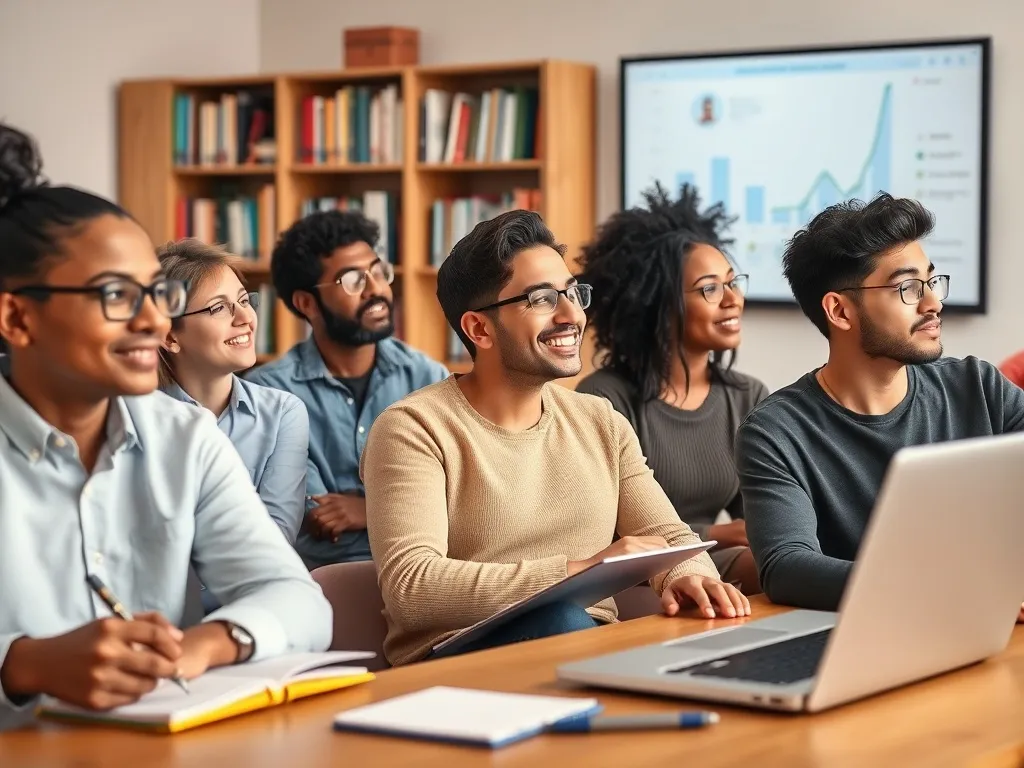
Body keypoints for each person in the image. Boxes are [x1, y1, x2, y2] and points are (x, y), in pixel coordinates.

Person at [0, 124, 331, 730]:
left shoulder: (185, 437)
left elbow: (299, 601)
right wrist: (23, 665)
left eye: (158, 293)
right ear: (18, 318)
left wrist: (198, 646)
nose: (155, 321)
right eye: (117, 295)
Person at [361, 209, 750, 667]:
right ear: (479, 329)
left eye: (573, 293)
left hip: (586, 649)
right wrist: (579, 572)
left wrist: (688, 575)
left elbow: (665, 534)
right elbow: (413, 586)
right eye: (542, 299)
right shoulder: (413, 427)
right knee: (564, 622)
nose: (572, 315)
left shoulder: (599, 420)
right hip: (455, 664)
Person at [736, 193, 1024, 623]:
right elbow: (786, 566)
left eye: (931, 281)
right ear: (840, 310)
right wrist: (948, 591)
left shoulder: (978, 388)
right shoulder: (776, 431)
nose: (933, 303)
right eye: (908, 288)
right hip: (871, 636)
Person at [576, 183, 768, 595]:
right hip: (639, 576)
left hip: (716, 560)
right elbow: (601, 532)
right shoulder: (603, 399)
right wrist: (715, 532)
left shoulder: (747, 396)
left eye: (734, 283)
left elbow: (756, 522)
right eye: (710, 288)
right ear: (659, 306)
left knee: (783, 564)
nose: (733, 299)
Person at [246, 210, 448, 568]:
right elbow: (315, 522)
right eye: (353, 280)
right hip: (322, 583)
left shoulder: (426, 376)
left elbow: (456, 499)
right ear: (306, 303)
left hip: (422, 571)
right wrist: (405, 509)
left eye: (378, 271)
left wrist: (366, 510)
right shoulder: (269, 393)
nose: (377, 290)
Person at [157, 239, 309, 545]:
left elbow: (275, 540)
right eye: (218, 308)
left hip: (252, 590)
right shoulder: (137, 418)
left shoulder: (283, 412)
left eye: (244, 300)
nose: (245, 319)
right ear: (169, 336)